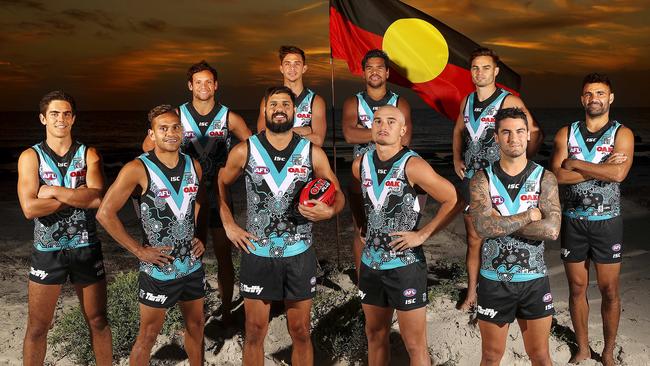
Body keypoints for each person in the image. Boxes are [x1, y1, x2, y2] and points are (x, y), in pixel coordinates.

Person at [218, 86, 345, 365]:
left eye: (285, 104)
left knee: (300, 331)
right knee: (254, 332)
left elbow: (338, 192)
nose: (279, 108)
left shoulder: (312, 152)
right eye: (273, 104)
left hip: (299, 254)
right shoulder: (245, 150)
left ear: (295, 112)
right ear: (264, 111)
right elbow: (221, 181)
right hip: (257, 254)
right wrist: (228, 222)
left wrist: (330, 210)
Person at [142, 61, 251, 323]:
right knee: (190, 254)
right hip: (184, 199)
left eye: (208, 82)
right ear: (190, 85)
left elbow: (252, 149)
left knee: (224, 255)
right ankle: (192, 315)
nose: (203, 87)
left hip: (217, 196)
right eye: (198, 82)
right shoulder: (176, 115)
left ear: (216, 85)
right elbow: (148, 148)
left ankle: (225, 311)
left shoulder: (228, 117)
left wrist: (231, 173)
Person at [97, 105, 206, 365]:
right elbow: (105, 213)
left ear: (183, 131)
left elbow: (199, 201)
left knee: (197, 327)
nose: (171, 133)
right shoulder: (137, 168)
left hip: (191, 266)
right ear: (152, 134)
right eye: (163, 128)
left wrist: (199, 234)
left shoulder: (194, 165)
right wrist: (138, 251)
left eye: (176, 127)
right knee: (148, 335)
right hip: (158, 270)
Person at [351, 105, 457, 366]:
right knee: (374, 335)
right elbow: (353, 192)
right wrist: (361, 224)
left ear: (403, 130)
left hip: (405, 267)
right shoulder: (359, 163)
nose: (383, 126)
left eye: (390, 121)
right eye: (377, 121)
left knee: (415, 344)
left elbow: (453, 199)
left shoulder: (413, 165)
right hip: (371, 265)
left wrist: (422, 235)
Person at [17, 91, 112, 365]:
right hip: (48, 251)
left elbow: (96, 198)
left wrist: (53, 192)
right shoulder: (30, 157)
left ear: (73, 118)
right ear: (43, 118)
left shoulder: (89, 154)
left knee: (98, 321)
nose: (61, 119)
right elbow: (29, 208)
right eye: (55, 114)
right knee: (37, 327)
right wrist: (73, 196)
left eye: (66, 113)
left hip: (86, 248)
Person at [550, 73, 634, 366]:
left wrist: (576, 163)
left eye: (600, 93)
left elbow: (619, 174)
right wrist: (600, 167)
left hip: (607, 223)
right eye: (588, 94)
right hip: (573, 222)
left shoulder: (622, 134)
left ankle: (608, 352)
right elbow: (557, 176)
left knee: (609, 289)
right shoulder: (566, 133)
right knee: (577, 289)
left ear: (610, 98)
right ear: (581, 99)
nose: (594, 98)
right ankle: (583, 348)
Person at [454, 47, 543, 310]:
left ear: (495, 71)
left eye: (485, 68)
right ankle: (472, 294)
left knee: (504, 235)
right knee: (474, 238)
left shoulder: (509, 101)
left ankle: (506, 290)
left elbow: (535, 131)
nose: (480, 73)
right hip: (472, 179)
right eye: (475, 68)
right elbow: (458, 130)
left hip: (500, 180)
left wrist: (523, 164)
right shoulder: (466, 102)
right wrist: (456, 158)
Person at [469, 107, 560, 366]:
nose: (514, 138)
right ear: (496, 137)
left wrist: (499, 222)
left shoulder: (545, 177)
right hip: (494, 282)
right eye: (506, 132)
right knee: (490, 356)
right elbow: (482, 229)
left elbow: (552, 230)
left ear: (529, 135)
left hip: (534, 281)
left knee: (541, 356)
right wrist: (527, 216)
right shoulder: (481, 179)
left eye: (520, 131)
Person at [342, 49, 412, 278]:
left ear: (388, 72)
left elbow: (407, 138)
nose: (374, 72)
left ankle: (391, 273)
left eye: (379, 67)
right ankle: (364, 283)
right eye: (369, 67)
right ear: (363, 73)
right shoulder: (354, 101)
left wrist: (369, 131)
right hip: (362, 174)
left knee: (394, 228)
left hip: (394, 174)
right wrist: (385, 131)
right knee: (360, 228)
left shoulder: (399, 102)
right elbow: (350, 134)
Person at [256, 45, 327, 146]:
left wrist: (279, 133)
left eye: (297, 64)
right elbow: (263, 137)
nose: (292, 68)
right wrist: (305, 130)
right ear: (281, 68)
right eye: (287, 64)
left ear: (304, 68)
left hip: (304, 160)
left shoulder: (315, 101)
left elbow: (318, 140)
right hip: (275, 161)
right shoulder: (269, 99)